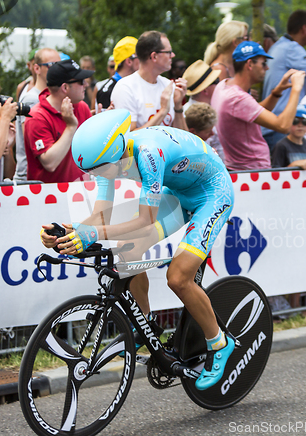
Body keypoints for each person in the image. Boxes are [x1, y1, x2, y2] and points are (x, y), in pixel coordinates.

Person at [40, 109, 235, 391]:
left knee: (178, 278)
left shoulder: (147, 154)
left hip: (212, 194)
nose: (96, 176)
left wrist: (91, 233)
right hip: (180, 192)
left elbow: (144, 219)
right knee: (125, 251)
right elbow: (99, 217)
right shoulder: (106, 158)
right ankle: (146, 324)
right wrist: (66, 230)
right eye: (90, 172)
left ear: (116, 154)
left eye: (98, 170)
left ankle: (219, 344)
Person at [211, 40, 306, 171]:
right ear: (250, 64)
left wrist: (277, 92)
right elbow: (283, 126)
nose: (267, 68)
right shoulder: (237, 98)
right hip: (253, 171)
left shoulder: (224, 86)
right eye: (263, 63)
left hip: (241, 169)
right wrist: (296, 89)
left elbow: (253, 112)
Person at [261, 10, 306, 152]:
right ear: (304, 29)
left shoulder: (282, 46)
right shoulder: (291, 48)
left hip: (274, 125)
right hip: (281, 127)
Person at [24, 59, 93, 183]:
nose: (86, 85)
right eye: (81, 81)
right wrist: (71, 127)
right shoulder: (37, 116)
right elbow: (50, 163)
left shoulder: (81, 107)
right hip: (49, 198)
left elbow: (92, 149)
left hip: (81, 193)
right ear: (65, 87)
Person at [111, 31, 188, 131]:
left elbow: (183, 137)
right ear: (154, 56)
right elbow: (128, 138)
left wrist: (178, 106)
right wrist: (163, 111)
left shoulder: (168, 85)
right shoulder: (125, 87)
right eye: (168, 52)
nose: (172, 55)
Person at [14, 48, 61, 182]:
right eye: (52, 66)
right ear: (36, 68)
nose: (57, 71)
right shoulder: (32, 99)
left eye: (59, 66)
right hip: (30, 178)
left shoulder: (49, 98)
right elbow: (31, 140)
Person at [182, 60, 224, 160]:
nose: (218, 85)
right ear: (205, 90)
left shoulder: (215, 106)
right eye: (216, 81)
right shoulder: (186, 115)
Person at [94, 36, 139, 111]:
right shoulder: (107, 91)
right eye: (139, 56)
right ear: (129, 61)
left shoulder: (139, 83)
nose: (143, 60)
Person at [271, 104, 306, 169]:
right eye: (295, 121)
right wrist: (293, 165)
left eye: (305, 121)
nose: (300, 125)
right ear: (288, 122)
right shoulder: (281, 146)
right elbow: (275, 172)